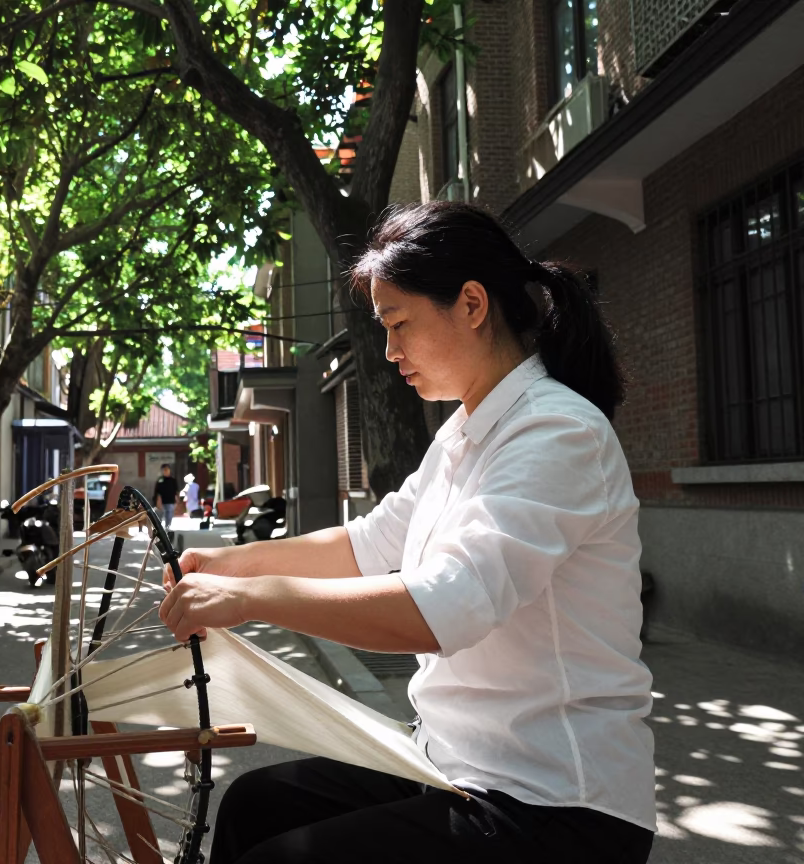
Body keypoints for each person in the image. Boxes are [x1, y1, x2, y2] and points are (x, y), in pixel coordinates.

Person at [158, 202, 655, 864]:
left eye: (399, 324)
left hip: (553, 800)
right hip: (454, 762)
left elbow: (441, 609)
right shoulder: (464, 433)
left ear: (472, 305)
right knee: (255, 806)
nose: (391, 351)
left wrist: (252, 599)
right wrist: (227, 563)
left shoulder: (556, 432)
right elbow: (369, 544)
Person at [152, 463, 179, 529]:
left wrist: (177, 499)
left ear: (169, 470)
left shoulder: (173, 480)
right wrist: (157, 501)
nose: (166, 471)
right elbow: (157, 491)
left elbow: (176, 490)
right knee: (160, 516)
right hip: (162, 501)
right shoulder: (160, 480)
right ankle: (159, 528)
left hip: (171, 501)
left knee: (169, 514)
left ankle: (167, 527)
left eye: (167, 469)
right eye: (164, 470)